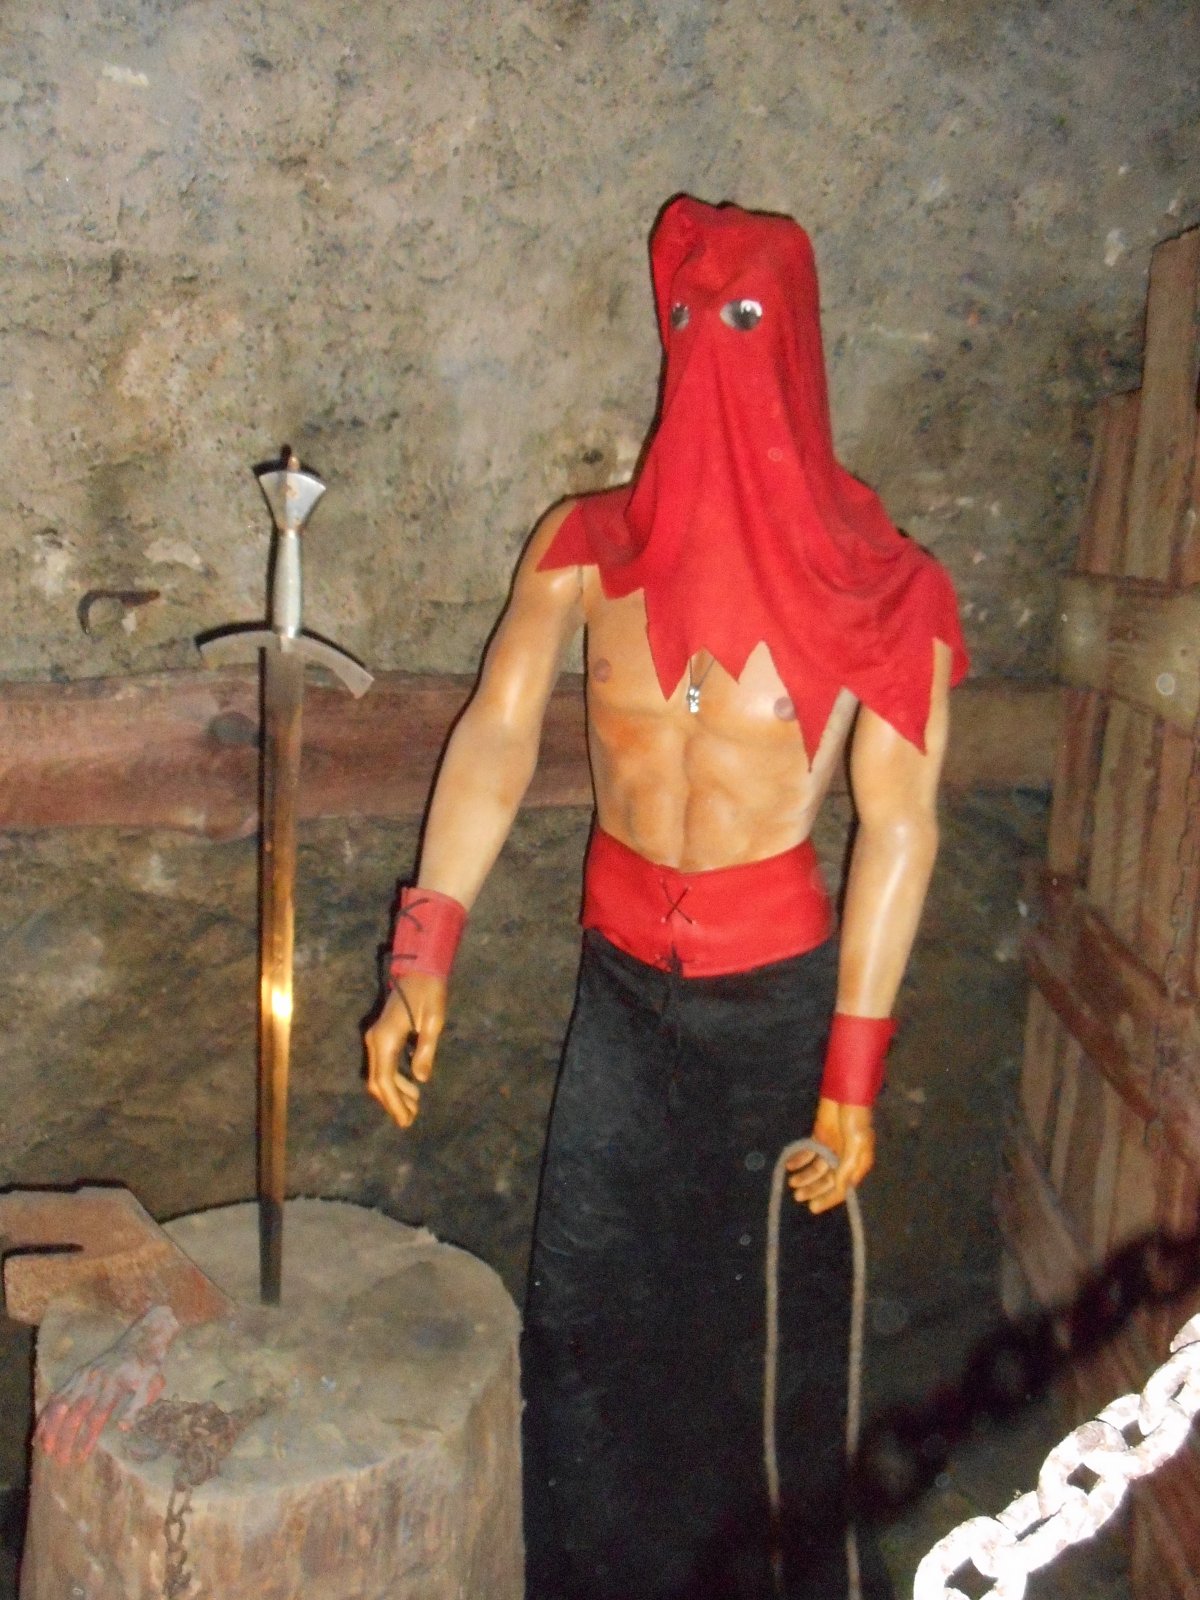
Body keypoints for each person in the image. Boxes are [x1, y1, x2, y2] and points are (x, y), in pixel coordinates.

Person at [366, 195, 967, 1600]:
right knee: (585, 1327)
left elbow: (900, 827)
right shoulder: (585, 550)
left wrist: (852, 1074)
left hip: (775, 1015)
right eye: (687, 320)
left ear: (794, 341)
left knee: (765, 1357)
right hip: (623, 1003)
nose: (711, 351)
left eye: (743, 322)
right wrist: (423, 952)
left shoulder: (885, 591)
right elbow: (497, 736)